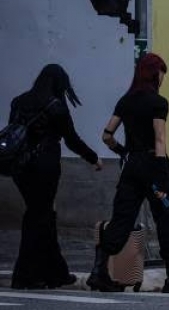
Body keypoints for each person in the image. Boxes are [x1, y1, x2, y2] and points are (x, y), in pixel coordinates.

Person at [88, 53, 169, 293]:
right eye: (162, 73)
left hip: (132, 167)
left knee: (121, 219)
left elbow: (107, 136)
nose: (163, 78)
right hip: (154, 168)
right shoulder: (158, 103)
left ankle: (99, 272)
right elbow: (159, 140)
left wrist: (123, 152)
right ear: (155, 73)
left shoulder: (125, 101)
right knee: (166, 220)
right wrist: (160, 177)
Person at [7, 64, 103, 290]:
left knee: (43, 216)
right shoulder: (56, 106)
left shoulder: (19, 101)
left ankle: (55, 273)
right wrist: (93, 158)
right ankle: (23, 277)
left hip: (20, 167)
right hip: (45, 167)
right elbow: (71, 139)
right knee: (37, 217)